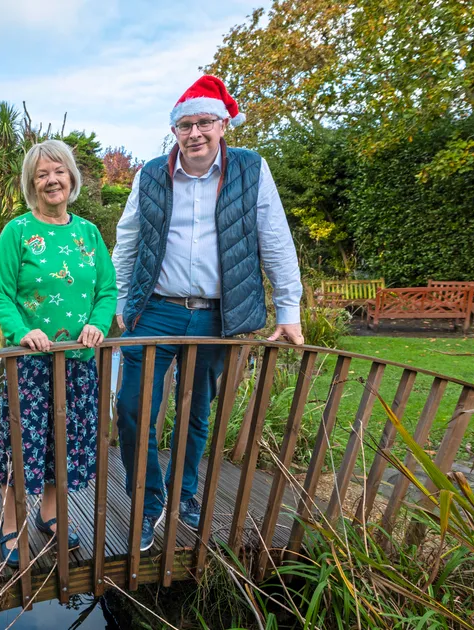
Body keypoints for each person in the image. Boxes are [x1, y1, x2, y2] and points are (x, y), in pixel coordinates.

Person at [111, 75, 304, 551]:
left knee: (196, 412)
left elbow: (274, 239)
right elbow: (128, 239)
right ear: (174, 130)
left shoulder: (250, 170)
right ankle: (149, 502)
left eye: (204, 123)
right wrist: (119, 301)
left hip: (217, 316)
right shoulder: (151, 174)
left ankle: (187, 494)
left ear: (223, 125)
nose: (194, 133)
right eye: (184, 125)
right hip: (155, 311)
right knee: (133, 410)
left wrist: (289, 308)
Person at [0, 139, 117, 566]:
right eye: (41, 174)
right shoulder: (18, 232)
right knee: (24, 444)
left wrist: (99, 322)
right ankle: (10, 524)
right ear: (31, 184)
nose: (51, 180)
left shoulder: (89, 233)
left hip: (78, 363)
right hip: (29, 365)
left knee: (61, 442)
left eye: (58, 171)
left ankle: (49, 515)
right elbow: (0, 294)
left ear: (71, 177)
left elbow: (108, 289)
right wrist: (23, 332)